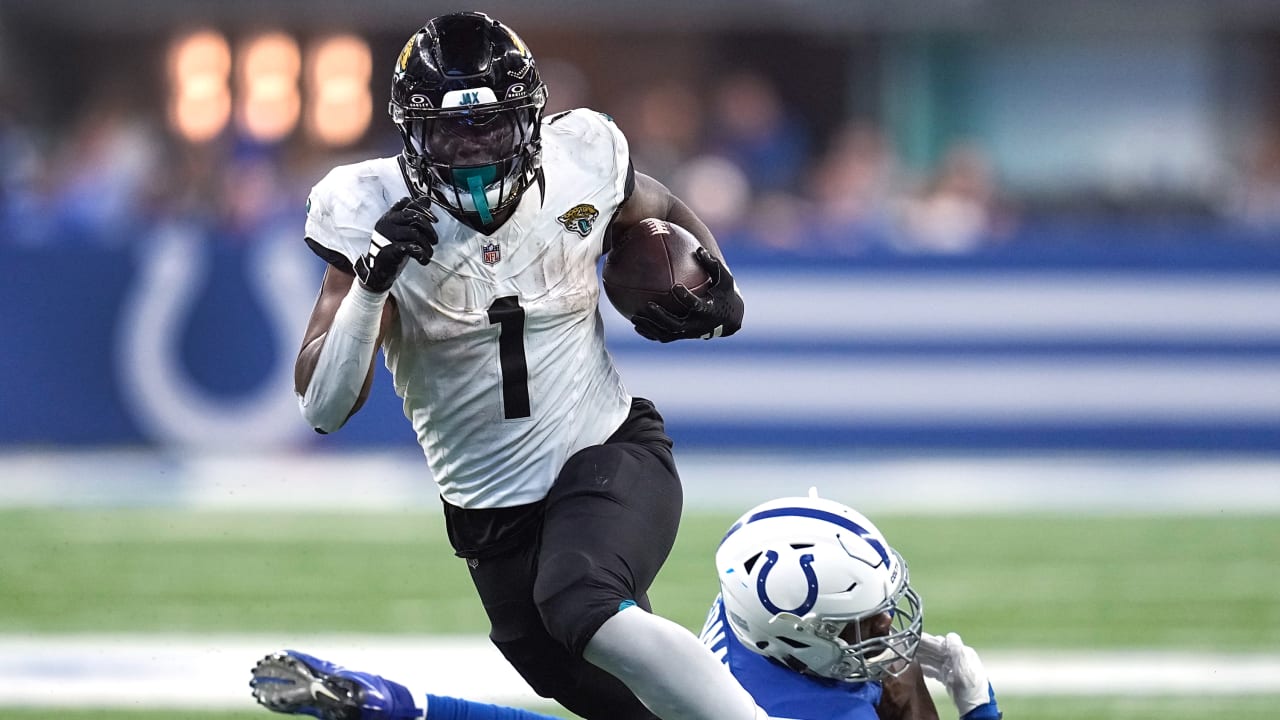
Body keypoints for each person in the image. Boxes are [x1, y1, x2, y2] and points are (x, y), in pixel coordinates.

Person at [291, 10, 746, 720]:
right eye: (450, 131)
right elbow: (321, 408)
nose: (473, 151)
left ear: (531, 122)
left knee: (580, 598)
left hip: (607, 453)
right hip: (489, 517)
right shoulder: (367, 207)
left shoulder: (584, 158)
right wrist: (372, 284)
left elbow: (658, 206)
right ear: (412, 134)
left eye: (492, 127)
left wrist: (717, 283)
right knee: (607, 692)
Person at [249, 492, 1002, 720]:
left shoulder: (755, 627)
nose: (888, 632)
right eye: (863, 624)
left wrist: (407, 704)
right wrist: (977, 704)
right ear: (798, 639)